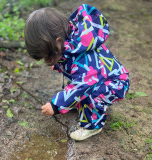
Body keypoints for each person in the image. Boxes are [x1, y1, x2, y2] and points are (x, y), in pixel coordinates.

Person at [24, 4, 130, 141]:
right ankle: (80, 104)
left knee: (90, 92)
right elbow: (68, 60)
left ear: (57, 43)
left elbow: (80, 86)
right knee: (84, 85)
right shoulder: (72, 43)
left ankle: (93, 126)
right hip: (100, 78)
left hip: (115, 84)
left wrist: (56, 105)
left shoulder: (83, 56)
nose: (47, 61)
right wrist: (57, 65)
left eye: (47, 56)